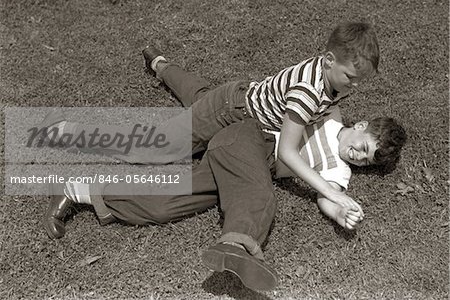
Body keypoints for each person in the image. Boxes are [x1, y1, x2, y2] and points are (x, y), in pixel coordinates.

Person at [43, 110, 406, 292]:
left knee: (163, 205)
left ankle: (76, 190)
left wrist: (340, 211)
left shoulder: (339, 173)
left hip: (246, 168)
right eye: (363, 147)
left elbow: (328, 198)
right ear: (360, 126)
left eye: (367, 160)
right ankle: (239, 245)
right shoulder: (328, 115)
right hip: (249, 138)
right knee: (258, 196)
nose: (358, 156)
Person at [41, 21, 380, 216]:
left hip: (245, 120)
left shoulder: (335, 84)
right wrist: (331, 193)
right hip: (231, 111)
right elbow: (287, 154)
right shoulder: (309, 90)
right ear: (328, 60)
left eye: (359, 80)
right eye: (350, 76)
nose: (354, 85)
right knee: (153, 149)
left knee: (198, 96)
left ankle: (159, 64)